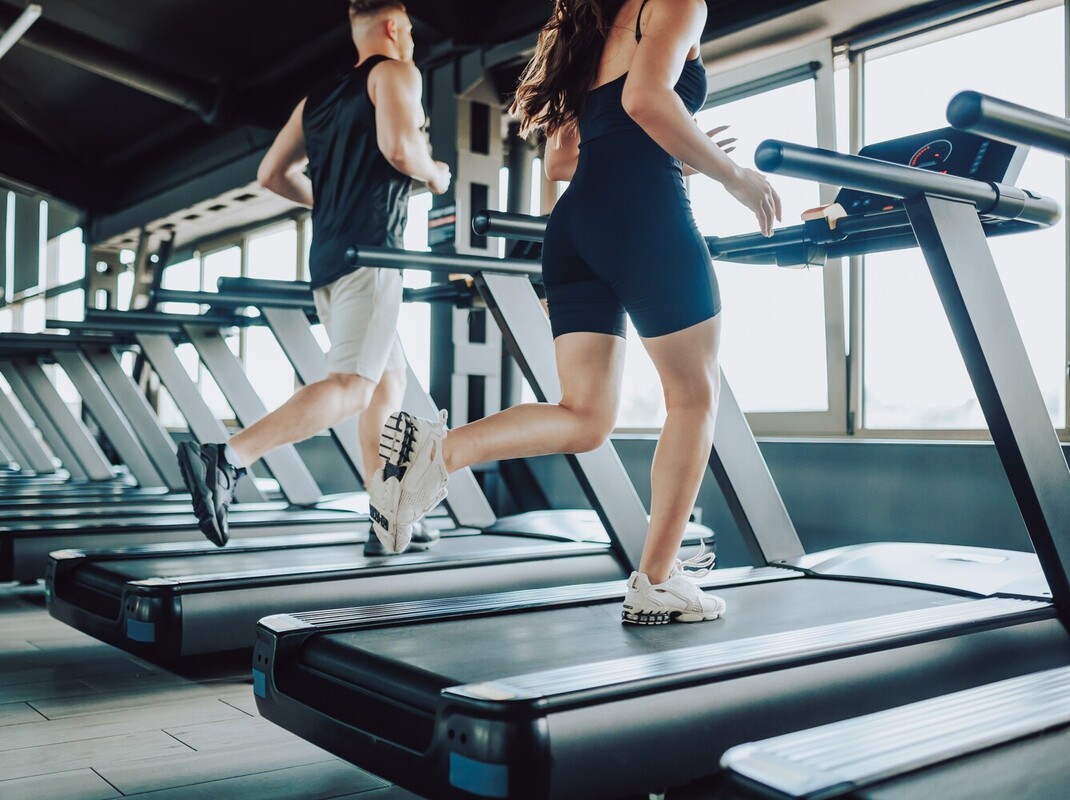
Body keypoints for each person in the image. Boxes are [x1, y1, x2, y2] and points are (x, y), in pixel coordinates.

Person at [367, 0, 781, 624]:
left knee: (585, 417)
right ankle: (657, 581)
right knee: (694, 398)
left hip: (575, 227)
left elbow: (563, 162)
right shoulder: (677, 3)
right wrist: (730, 175)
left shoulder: (591, 27)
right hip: (641, 215)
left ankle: (439, 452)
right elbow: (645, 100)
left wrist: (674, 150)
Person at [177, 0, 451, 556]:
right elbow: (401, 150)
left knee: (385, 386)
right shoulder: (397, 72)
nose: (413, 42)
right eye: (411, 32)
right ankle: (227, 458)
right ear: (394, 26)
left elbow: (271, 174)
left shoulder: (316, 100)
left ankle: (385, 514)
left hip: (327, 260)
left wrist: (327, 203)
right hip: (374, 255)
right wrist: (436, 173)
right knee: (352, 386)